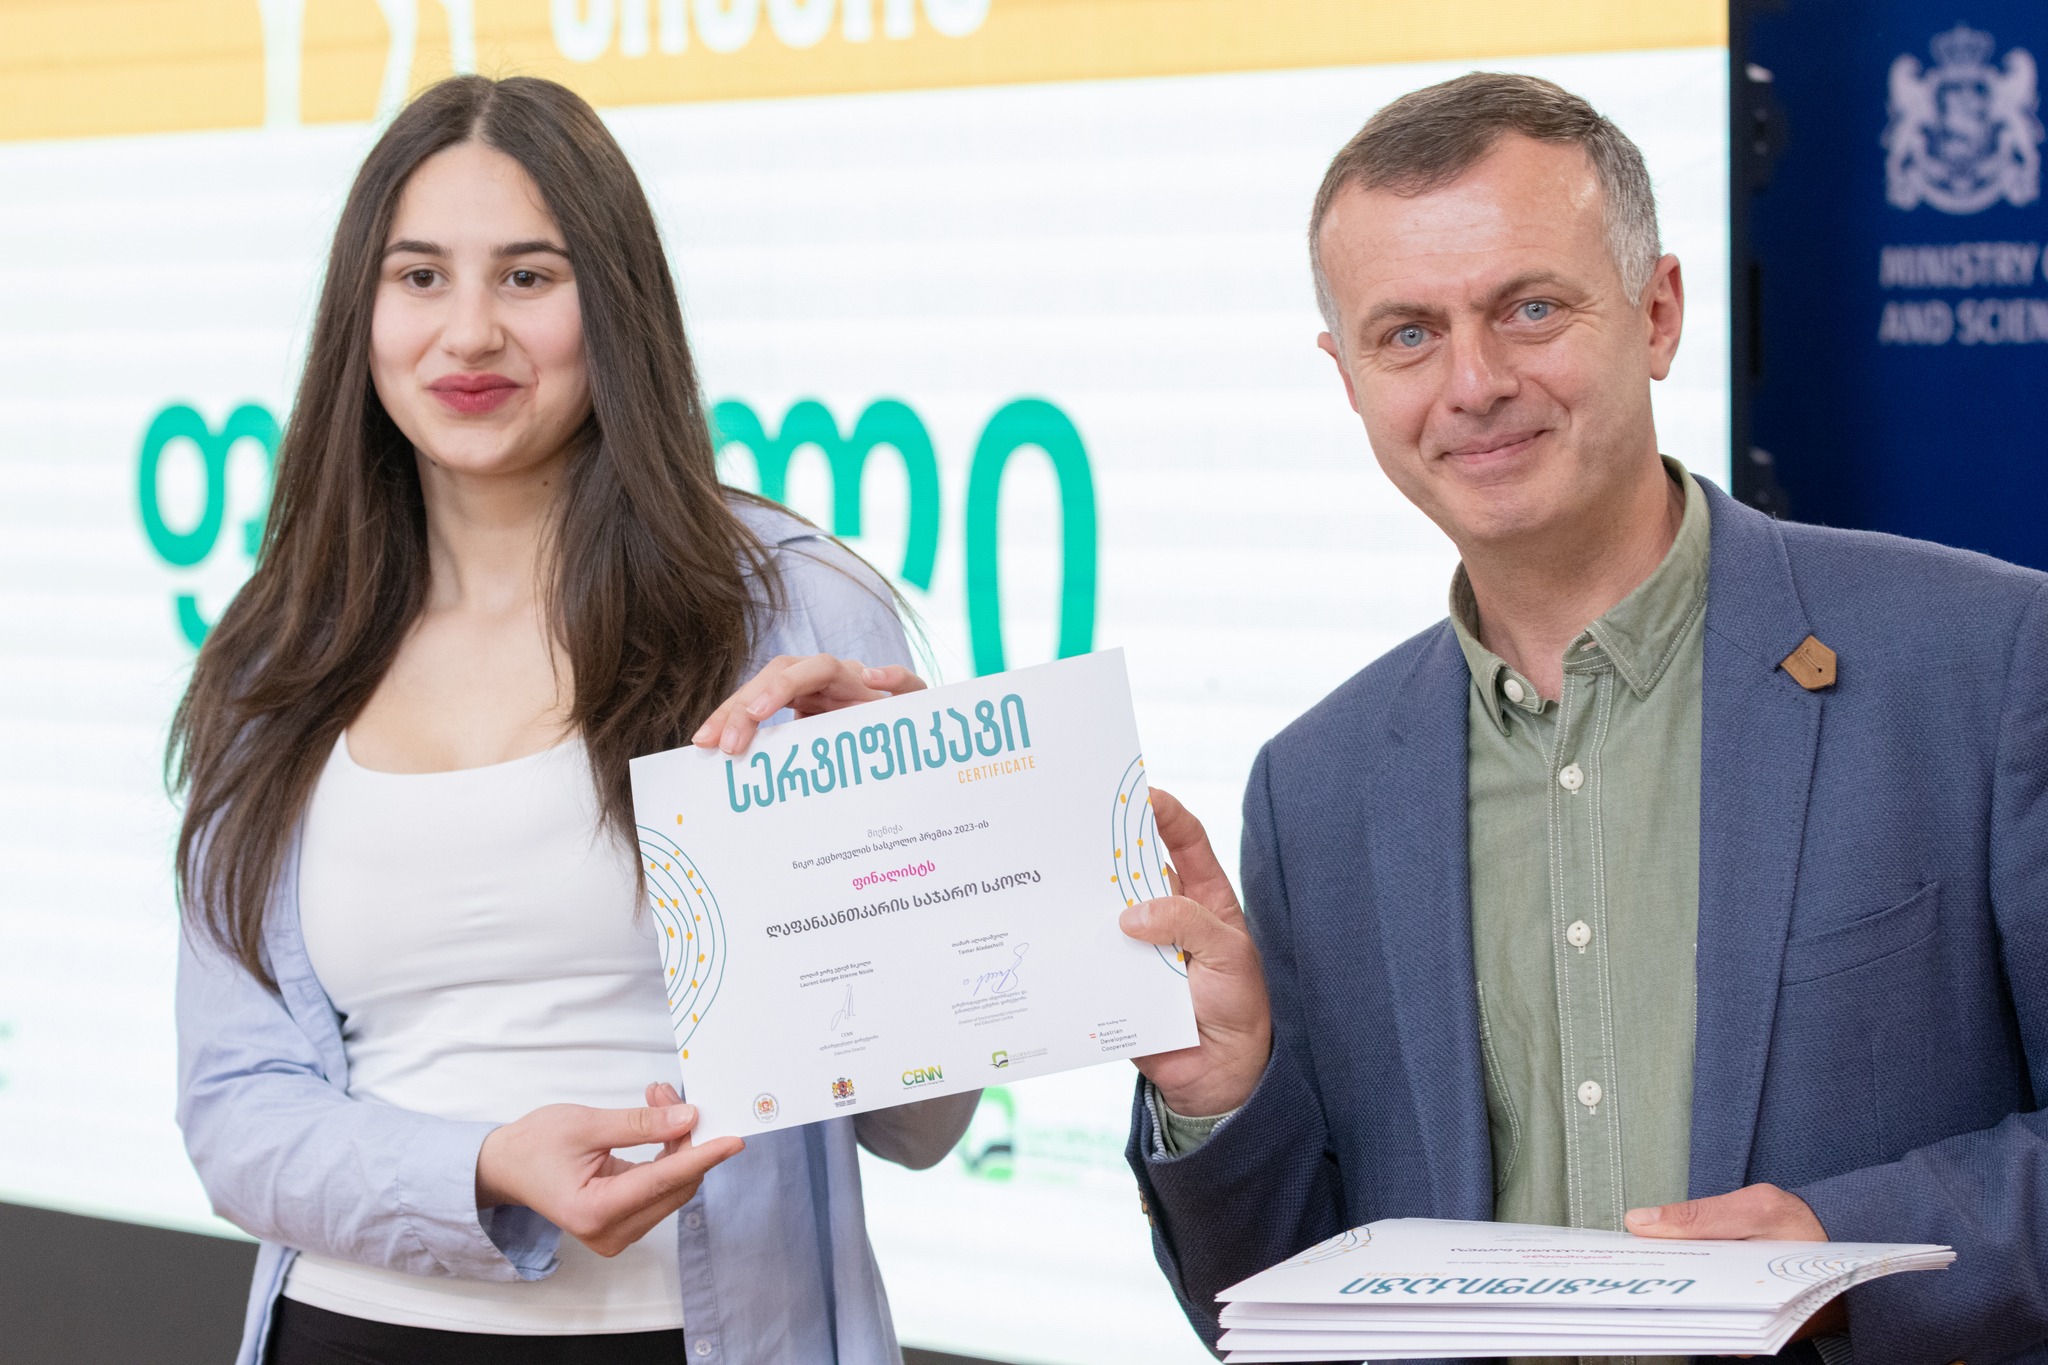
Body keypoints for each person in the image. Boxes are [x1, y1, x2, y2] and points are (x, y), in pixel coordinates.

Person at [1114, 72, 2048, 1363]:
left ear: (1657, 313)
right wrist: (1225, 1097)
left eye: (1531, 309)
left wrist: (1845, 1248)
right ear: (1348, 378)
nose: (1475, 382)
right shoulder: (1315, 788)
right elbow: (1287, 1306)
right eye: (1408, 335)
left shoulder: (1986, 662)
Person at [171, 75, 973, 1365]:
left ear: (616, 303)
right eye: (419, 277)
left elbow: (917, 1123)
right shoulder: (281, 649)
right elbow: (234, 1115)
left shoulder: (788, 608)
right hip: (351, 1330)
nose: (469, 333)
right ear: (360, 313)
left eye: (529, 277)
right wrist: (484, 1168)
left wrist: (920, 849)